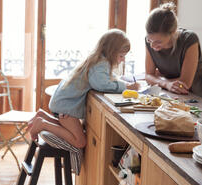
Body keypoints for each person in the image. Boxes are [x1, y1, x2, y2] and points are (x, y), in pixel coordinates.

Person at [28, 29, 139, 174]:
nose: (123, 59)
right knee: (80, 141)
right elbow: (101, 84)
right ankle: (42, 123)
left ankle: (42, 116)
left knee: (72, 133)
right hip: (66, 106)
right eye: (121, 56)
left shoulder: (97, 59)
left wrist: (122, 82)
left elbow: (106, 79)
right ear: (112, 52)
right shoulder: (101, 63)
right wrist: (126, 87)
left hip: (63, 102)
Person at [144, 2, 202, 97]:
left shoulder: (189, 39)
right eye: (149, 40)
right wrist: (166, 83)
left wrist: (158, 79)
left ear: (173, 33)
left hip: (195, 94)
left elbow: (185, 83)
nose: (152, 45)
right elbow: (148, 75)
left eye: (158, 42)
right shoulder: (150, 42)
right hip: (171, 93)